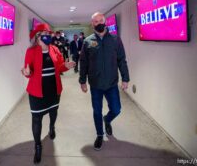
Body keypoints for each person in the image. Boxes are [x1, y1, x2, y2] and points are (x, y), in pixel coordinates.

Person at [21, 23, 75, 164]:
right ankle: (38, 145)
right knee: (36, 119)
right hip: (36, 91)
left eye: (49, 34)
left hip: (53, 89)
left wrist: (66, 66)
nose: (48, 36)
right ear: (38, 37)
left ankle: (52, 127)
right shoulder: (31, 51)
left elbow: (60, 67)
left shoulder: (55, 49)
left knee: (53, 111)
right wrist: (26, 73)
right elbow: (28, 70)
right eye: (45, 34)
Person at [79, 12, 130, 151]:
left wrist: (125, 78)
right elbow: (83, 63)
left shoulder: (115, 39)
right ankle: (99, 135)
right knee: (97, 111)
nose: (99, 23)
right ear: (92, 24)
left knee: (116, 109)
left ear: (105, 21)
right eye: (95, 21)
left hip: (111, 84)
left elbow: (121, 60)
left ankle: (107, 120)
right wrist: (82, 81)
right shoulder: (87, 41)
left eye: (101, 20)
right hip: (95, 84)